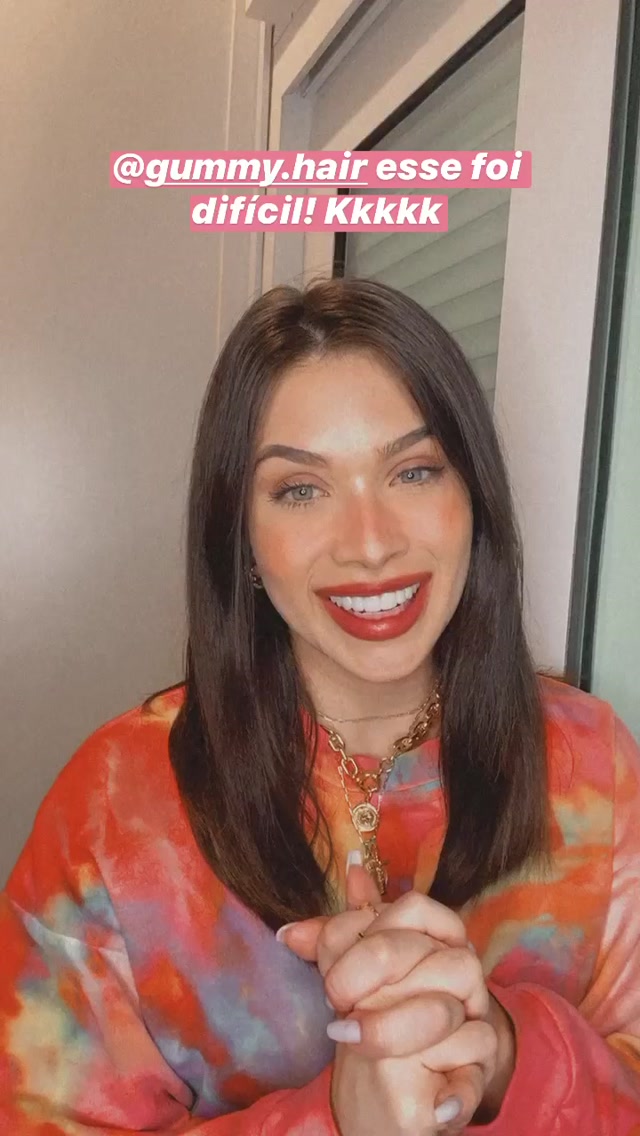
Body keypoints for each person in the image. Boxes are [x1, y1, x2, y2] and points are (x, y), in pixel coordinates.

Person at [1, 277, 639, 1136]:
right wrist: (335, 1120)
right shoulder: (116, 805)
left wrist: (505, 1058)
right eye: (301, 490)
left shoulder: (590, 759)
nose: (370, 544)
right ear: (243, 538)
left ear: (473, 502)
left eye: (414, 471)